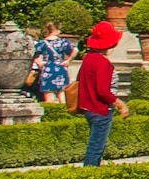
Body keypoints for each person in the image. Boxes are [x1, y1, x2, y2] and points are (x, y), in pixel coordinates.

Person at [74, 20, 129, 166]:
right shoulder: (101, 62)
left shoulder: (88, 58)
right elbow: (103, 91)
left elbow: (80, 80)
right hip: (99, 109)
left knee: (95, 145)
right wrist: (120, 104)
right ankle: (90, 176)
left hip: (88, 107)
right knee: (96, 147)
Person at [29, 20, 77, 113]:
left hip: (47, 70)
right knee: (62, 98)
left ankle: (50, 116)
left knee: (49, 99)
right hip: (60, 68)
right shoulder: (63, 42)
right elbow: (75, 50)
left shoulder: (42, 43)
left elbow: (32, 54)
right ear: (57, 29)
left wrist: (39, 62)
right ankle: (63, 116)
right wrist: (68, 60)